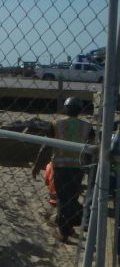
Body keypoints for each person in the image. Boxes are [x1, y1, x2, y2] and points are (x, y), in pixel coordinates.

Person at [31, 97, 95, 241]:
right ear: (80, 110)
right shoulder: (87, 126)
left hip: (60, 166)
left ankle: (64, 232)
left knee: (62, 198)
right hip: (78, 167)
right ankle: (70, 225)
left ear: (65, 109)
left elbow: (45, 146)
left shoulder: (56, 124)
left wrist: (37, 165)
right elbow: (92, 149)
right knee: (71, 197)